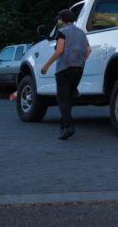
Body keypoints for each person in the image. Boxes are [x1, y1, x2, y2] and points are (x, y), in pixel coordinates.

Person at [40, 9, 91, 140]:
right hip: (78, 68)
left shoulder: (62, 32)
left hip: (64, 69)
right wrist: (82, 60)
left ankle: (69, 127)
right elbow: (88, 49)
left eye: (59, 19)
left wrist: (46, 66)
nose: (58, 21)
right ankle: (63, 127)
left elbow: (59, 51)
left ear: (63, 20)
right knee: (69, 98)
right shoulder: (82, 33)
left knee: (62, 99)